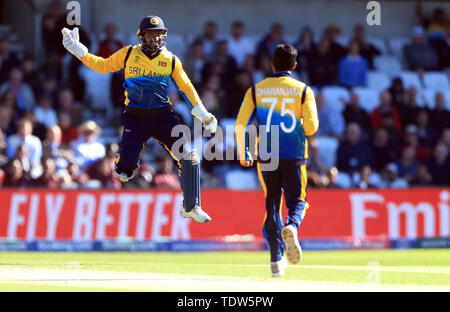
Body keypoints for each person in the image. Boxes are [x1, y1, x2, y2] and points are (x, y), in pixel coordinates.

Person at [62, 15, 217, 223]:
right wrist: (79, 50)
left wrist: (202, 111)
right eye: (149, 36)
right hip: (135, 117)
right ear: (141, 37)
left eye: (157, 35)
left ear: (164, 36)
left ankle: (191, 205)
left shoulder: (170, 60)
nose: (153, 40)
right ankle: (123, 166)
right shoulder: (128, 53)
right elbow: (103, 65)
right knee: (125, 172)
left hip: (163, 117)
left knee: (189, 156)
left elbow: (186, 87)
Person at [235, 44, 319, 277]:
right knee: (298, 201)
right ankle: (292, 225)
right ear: (294, 65)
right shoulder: (303, 90)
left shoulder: (256, 90)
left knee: (272, 202)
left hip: (267, 156)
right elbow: (311, 128)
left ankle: (275, 259)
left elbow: (241, 124)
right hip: (294, 155)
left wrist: (244, 152)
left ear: (271, 64)